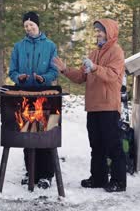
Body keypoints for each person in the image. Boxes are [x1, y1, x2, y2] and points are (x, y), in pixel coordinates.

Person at [53, 19, 127, 192]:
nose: (97, 34)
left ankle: (119, 181)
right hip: (93, 107)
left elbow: (112, 75)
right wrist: (65, 69)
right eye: (96, 31)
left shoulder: (117, 52)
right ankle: (99, 178)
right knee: (96, 145)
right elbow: (80, 77)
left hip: (108, 106)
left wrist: (94, 68)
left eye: (100, 31)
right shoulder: (94, 53)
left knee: (113, 145)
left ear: (109, 32)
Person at [8, 11, 58, 189]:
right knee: (28, 134)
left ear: (38, 25)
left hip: (45, 96)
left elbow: (54, 71)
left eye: (32, 25)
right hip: (25, 95)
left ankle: (46, 174)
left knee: (45, 134)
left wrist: (43, 78)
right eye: (26, 26)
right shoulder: (18, 47)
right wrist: (18, 77)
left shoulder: (50, 46)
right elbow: (11, 70)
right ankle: (31, 171)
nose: (29, 28)